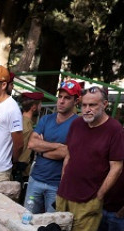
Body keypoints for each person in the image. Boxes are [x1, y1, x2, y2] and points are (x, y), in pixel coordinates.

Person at [55, 85, 124, 231]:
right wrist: (63, 182)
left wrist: (99, 195)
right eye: (84, 105)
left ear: (105, 104)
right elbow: (69, 154)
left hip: (88, 200)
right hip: (64, 194)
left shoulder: (115, 130)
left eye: (92, 105)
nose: (87, 109)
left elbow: (117, 168)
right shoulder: (77, 124)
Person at [24, 81, 81, 214]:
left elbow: (68, 152)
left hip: (57, 186)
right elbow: (32, 143)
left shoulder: (78, 124)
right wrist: (56, 146)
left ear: (76, 101)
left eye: (67, 98)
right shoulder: (46, 119)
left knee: (49, 226)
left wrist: (42, 150)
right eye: (60, 96)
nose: (61, 101)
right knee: (26, 221)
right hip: (35, 179)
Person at [13, 90, 44, 182]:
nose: (40, 107)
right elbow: (23, 153)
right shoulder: (27, 127)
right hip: (20, 170)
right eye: (39, 105)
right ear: (34, 107)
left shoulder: (19, 121)